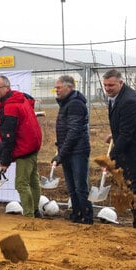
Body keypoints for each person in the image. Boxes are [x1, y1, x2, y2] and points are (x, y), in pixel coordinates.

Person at [102, 69, 136, 229]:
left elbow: (127, 135)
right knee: (133, 187)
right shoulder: (118, 97)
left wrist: (110, 158)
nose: (108, 88)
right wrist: (114, 135)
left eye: (111, 85)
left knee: (134, 188)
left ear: (121, 83)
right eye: (105, 85)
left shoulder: (128, 101)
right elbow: (125, 126)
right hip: (130, 149)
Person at [0, 75, 42, 217]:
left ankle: (29, 215)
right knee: (32, 180)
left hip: (25, 147)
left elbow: (9, 136)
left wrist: (5, 161)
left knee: (21, 183)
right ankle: (36, 211)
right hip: (32, 145)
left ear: (7, 88)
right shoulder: (20, 98)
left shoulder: (10, 106)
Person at [53, 75, 93, 223]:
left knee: (80, 187)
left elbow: (74, 131)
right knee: (71, 187)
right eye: (55, 87)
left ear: (69, 87)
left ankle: (87, 217)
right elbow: (65, 130)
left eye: (59, 87)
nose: (56, 90)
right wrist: (60, 149)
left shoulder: (75, 104)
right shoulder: (66, 103)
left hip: (77, 151)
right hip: (68, 151)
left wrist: (61, 154)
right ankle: (77, 214)